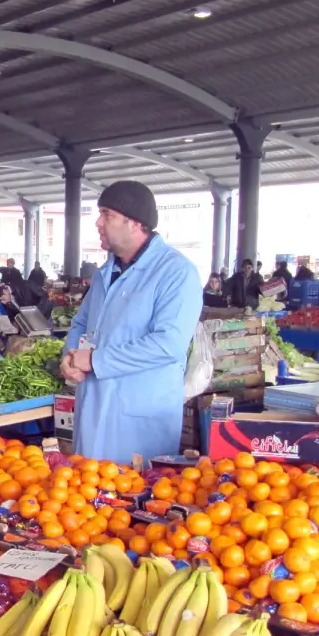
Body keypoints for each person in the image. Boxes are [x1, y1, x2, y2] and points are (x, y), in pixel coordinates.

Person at [60, 180, 201, 463]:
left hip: (138, 419)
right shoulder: (104, 274)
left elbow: (168, 344)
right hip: (93, 409)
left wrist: (96, 361)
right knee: (83, 498)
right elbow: (80, 325)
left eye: (107, 215)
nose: (99, 223)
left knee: (132, 497)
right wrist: (70, 358)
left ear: (135, 223)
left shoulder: (176, 273)